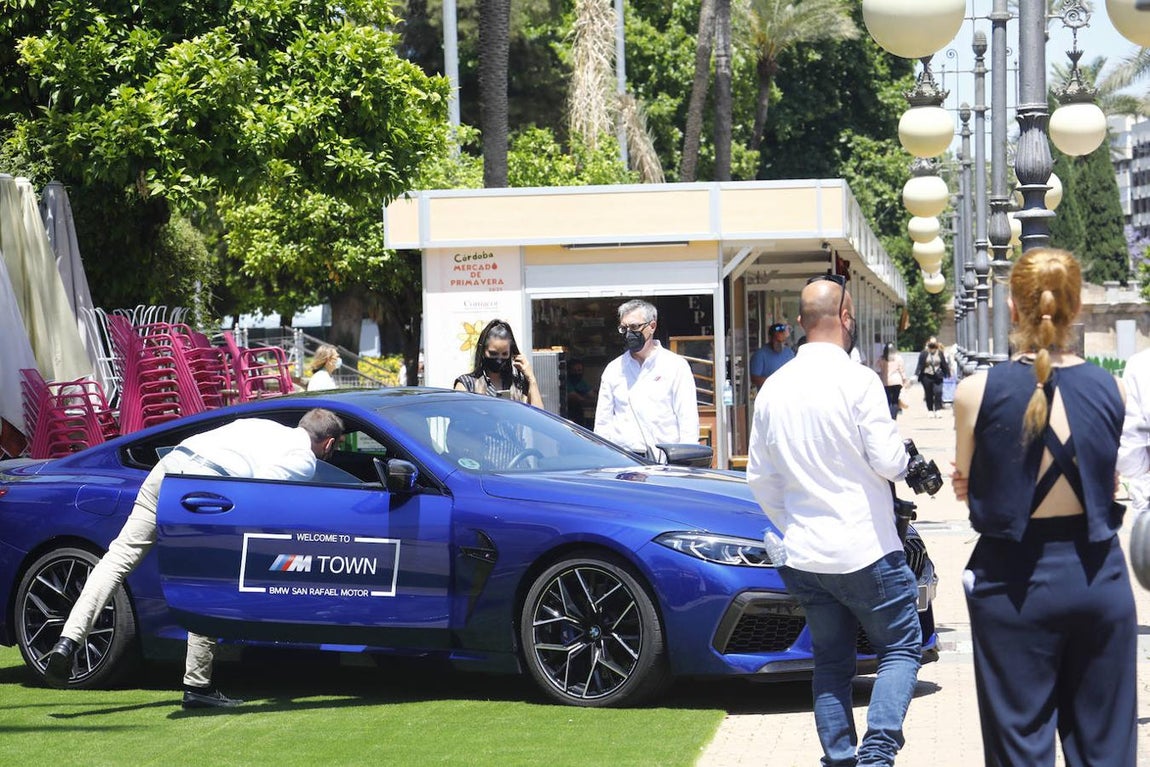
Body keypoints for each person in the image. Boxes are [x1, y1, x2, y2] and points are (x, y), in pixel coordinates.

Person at [951, 248, 1137, 766]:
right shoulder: (1112, 388)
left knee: (1019, 749)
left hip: (1012, 585)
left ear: (1012, 306)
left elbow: (965, 482)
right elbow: (1107, 474)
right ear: (1075, 307)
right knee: (1106, 750)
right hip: (1098, 577)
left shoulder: (975, 391)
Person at [43, 409, 346, 709]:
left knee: (117, 559)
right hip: (203, 487)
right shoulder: (304, 460)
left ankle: (68, 640)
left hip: (168, 468)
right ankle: (197, 685)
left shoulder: (264, 424)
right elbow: (259, 493)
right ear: (329, 443)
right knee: (210, 582)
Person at [746, 275, 921, 767]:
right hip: (864, 547)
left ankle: (840, 758)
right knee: (902, 646)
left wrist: (794, 520)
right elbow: (889, 461)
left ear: (800, 323)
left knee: (830, 661)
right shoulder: (859, 379)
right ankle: (878, 753)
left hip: (804, 552)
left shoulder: (774, 388)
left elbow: (760, 479)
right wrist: (909, 464)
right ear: (846, 319)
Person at [594, 299, 699, 456]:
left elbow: (687, 418)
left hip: (664, 461)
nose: (630, 333)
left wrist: (686, 460)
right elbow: (603, 423)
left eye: (635, 327)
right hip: (625, 462)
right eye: (624, 328)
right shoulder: (614, 370)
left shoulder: (675, 366)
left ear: (652, 326)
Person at [454, 319, 543, 406]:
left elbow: (540, 416)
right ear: (483, 351)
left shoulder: (518, 385)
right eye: (493, 353)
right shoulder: (467, 384)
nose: (499, 359)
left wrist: (531, 379)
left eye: (504, 354)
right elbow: (459, 416)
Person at [749, 322, 795, 388]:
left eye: (783, 341)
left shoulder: (789, 353)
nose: (781, 345)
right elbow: (754, 378)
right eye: (778, 341)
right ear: (770, 338)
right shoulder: (760, 355)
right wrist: (775, 383)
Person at [914, 336, 949, 418]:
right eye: (931, 343)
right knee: (928, 393)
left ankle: (938, 410)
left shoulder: (939, 352)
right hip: (926, 376)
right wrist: (916, 374)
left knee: (938, 392)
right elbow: (920, 364)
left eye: (934, 343)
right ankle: (930, 410)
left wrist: (947, 373)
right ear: (928, 343)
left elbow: (943, 363)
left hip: (938, 376)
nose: (933, 345)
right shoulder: (924, 353)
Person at [876, 343, 907, 419]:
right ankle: (893, 417)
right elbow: (901, 370)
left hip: (886, 382)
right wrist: (904, 379)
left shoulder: (882, 359)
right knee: (895, 400)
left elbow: (878, 368)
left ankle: (889, 415)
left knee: (888, 400)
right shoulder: (898, 358)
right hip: (897, 381)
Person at [565, 358, 596, 428]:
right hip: (568, 414)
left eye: (579, 370)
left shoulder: (581, 382)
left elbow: (591, 394)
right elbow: (575, 397)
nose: (577, 373)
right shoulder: (567, 382)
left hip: (580, 414)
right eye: (574, 371)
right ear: (569, 371)